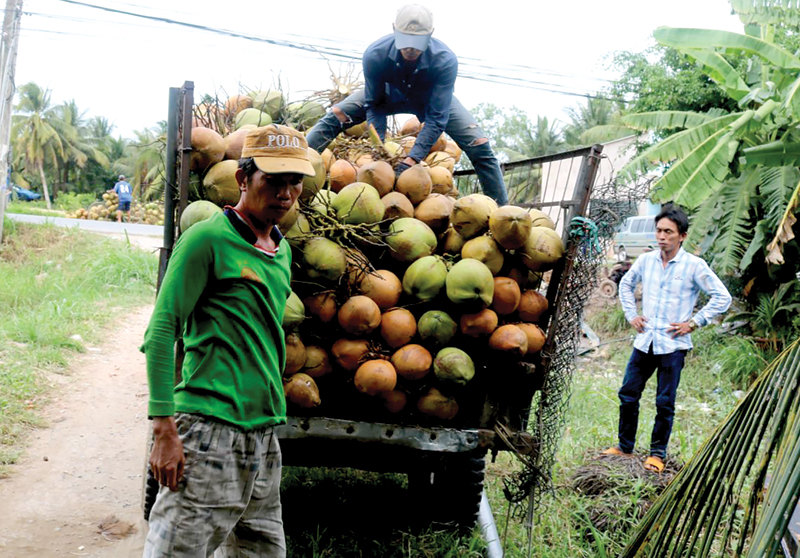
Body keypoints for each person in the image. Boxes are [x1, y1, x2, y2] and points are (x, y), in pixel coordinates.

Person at [141, 124, 314, 557]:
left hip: (263, 435)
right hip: (208, 431)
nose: (286, 193)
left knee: (261, 551)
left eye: (294, 182)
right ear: (242, 178)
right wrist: (163, 427)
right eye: (273, 181)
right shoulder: (206, 239)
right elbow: (162, 331)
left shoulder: (281, 249)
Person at [305, 4, 509, 205]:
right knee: (336, 116)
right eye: (405, 40)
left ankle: (501, 210)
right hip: (388, 93)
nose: (410, 48)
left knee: (479, 143)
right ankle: (295, 165)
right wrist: (380, 145)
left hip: (430, 99)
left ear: (431, 34)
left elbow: (438, 118)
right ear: (394, 29)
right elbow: (374, 105)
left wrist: (413, 158)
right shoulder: (375, 54)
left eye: (417, 41)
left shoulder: (445, 60)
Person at [602, 204, 732, 474]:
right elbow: (625, 284)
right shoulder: (646, 260)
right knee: (628, 393)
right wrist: (631, 315)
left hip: (673, 345)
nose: (662, 236)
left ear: (681, 236)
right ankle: (624, 447)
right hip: (645, 340)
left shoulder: (694, 266)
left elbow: (723, 298)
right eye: (659, 230)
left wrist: (694, 322)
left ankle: (657, 455)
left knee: (664, 402)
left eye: (668, 232)